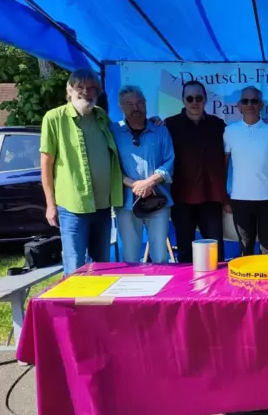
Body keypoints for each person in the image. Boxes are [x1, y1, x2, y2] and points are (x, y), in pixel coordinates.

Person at [40, 69, 123, 275]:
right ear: (70, 90)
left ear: (98, 91)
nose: (86, 92)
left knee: (102, 264)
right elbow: (46, 165)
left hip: (103, 205)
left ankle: (99, 307)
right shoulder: (54, 118)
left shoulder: (101, 116)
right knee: (75, 264)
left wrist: (154, 122)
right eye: (80, 88)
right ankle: (73, 307)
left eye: (92, 88)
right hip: (73, 207)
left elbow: (122, 135)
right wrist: (50, 205)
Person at [111, 85, 174, 264]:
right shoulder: (113, 131)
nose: (135, 107)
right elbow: (110, 166)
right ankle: (134, 292)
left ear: (146, 104)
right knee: (130, 257)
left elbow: (170, 160)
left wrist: (149, 182)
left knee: (161, 256)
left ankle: (160, 291)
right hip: (126, 203)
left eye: (139, 102)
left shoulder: (160, 130)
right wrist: (134, 184)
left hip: (157, 200)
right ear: (121, 107)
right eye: (129, 104)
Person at [165, 80, 227, 263]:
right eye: (190, 98)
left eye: (198, 98)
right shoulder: (169, 125)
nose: (194, 102)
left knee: (217, 252)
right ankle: (186, 292)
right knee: (185, 252)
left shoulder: (218, 126)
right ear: (183, 100)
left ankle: (220, 291)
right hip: (182, 198)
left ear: (205, 99)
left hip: (211, 198)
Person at [224, 86, 268, 256]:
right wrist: (224, 198)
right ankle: (247, 284)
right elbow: (223, 166)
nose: (250, 104)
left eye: (254, 101)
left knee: (267, 251)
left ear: (261, 105)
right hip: (240, 200)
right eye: (245, 101)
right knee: (245, 251)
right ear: (239, 106)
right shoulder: (230, 131)